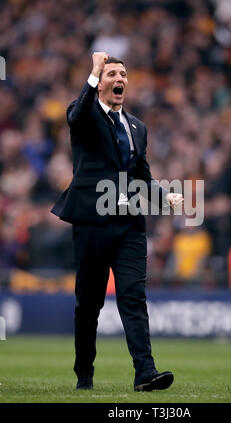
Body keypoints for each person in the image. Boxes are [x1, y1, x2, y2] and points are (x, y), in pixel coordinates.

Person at [51, 52, 183, 391]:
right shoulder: (85, 115)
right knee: (89, 304)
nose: (118, 78)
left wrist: (163, 196)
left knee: (133, 297)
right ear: (100, 84)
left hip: (128, 224)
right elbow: (76, 117)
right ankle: (85, 373)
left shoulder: (138, 127)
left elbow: (141, 175)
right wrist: (93, 71)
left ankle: (145, 373)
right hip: (93, 223)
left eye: (122, 73)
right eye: (111, 73)